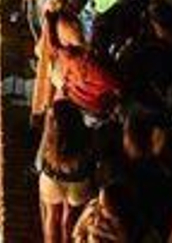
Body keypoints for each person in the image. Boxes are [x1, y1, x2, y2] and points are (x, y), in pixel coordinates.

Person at [40, 100, 97, 243]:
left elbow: (40, 160)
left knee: (52, 216)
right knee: (69, 219)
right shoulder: (86, 135)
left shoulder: (50, 136)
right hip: (79, 182)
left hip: (52, 179)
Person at [72, 182, 141, 243]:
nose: (98, 208)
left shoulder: (121, 227)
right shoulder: (93, 207)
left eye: (102, 206)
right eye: (99, 204)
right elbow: (76, 232)